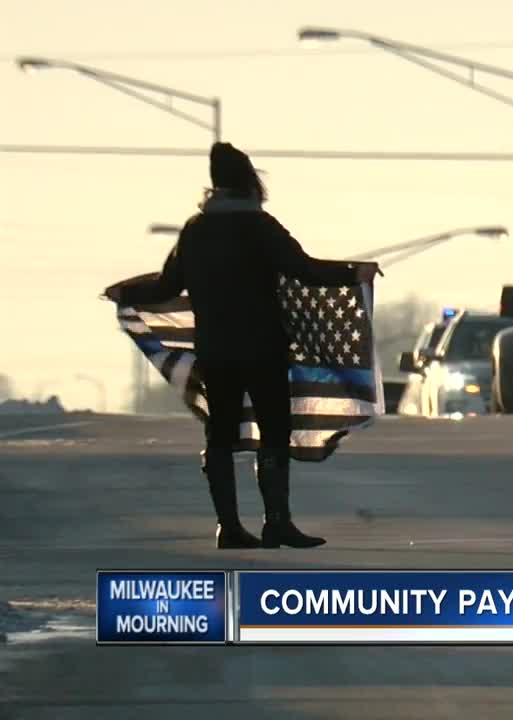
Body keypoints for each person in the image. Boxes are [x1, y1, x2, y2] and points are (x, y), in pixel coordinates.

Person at [105, 142, 379, 549]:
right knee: (273, 433)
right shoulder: (260, 227)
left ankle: (228, 527)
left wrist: (126, 292)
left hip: (215, 351)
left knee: (219, 436)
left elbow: (166, 285)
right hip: (263, 348)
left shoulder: (196, 230)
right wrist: (355, 273)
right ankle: (277, 522)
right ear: (249, 182)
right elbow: (303, 269)